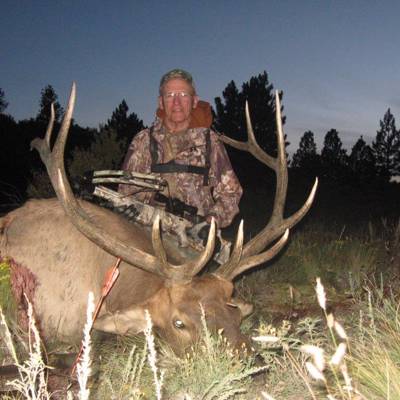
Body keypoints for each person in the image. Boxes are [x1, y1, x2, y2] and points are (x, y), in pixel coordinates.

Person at [119, 69, 242, 229]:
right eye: (169, 95)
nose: (176, 102)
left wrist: (213, 219)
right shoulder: (143, 140)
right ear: (161, 102)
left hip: (196, 236)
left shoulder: (210, 141)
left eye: (183, 95)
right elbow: (126, 191)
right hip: (148, 232)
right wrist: (130, 210)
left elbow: (231, 193)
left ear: (194, 101)